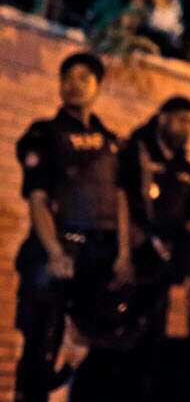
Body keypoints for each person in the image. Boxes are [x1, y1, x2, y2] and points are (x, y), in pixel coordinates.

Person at [14, 51, 133, 402]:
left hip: (100, 257)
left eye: (84, 77)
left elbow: (121, 200)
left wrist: (124, 253)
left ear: (98, 87)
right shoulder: (44, 133)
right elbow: (37, 198)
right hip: (57, 251)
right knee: (40, 346)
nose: (74, 84)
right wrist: (54, 252)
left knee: (92, 346)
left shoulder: (112, 142)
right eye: (68, 77)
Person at [117, 95, 190, 401]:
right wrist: (123, 254)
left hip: (167, 271)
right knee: (123, 344)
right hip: (135, 261)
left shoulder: (186, 168)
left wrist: (189, 268)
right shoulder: (136, 151)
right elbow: (123, 203)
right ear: (164, 117)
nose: (187, 129)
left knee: (156, 346)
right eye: (182, 120)